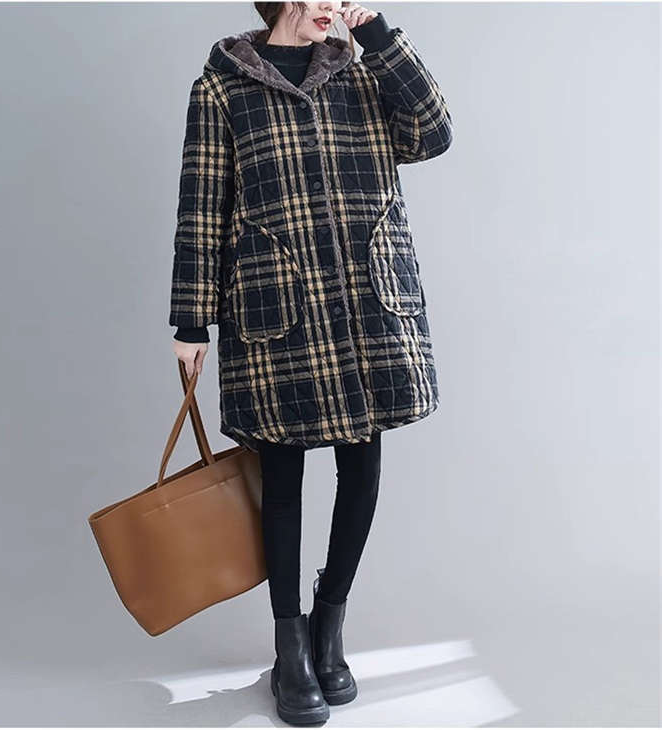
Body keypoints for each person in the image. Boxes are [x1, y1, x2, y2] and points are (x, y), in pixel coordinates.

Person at [169, 2, 452, 724]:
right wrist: (191, 318)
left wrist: (380, 36)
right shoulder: (222, 86)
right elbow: (202, 204)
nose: (334, 5)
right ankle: (289, 643)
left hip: (363, 303)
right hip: (278, 305)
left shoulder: (364, 70)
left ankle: (331, 625)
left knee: (362, 464)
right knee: (283, 477)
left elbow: (433, 133)